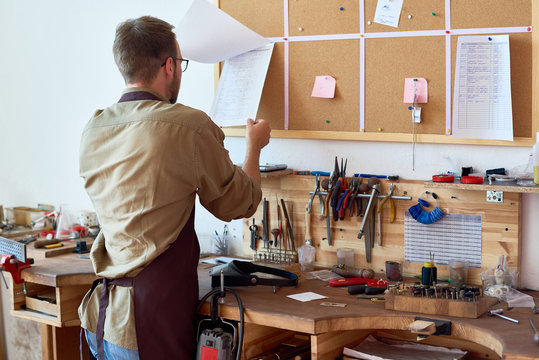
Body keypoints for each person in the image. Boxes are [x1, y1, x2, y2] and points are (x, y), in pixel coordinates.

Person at [78, 15, 271, 360]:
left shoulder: (94, 128)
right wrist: (254, 148)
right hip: (149, 326)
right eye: (181, 63)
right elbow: (239, 203)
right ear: (169, 66)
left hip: (102, 321)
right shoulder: (187, 127)